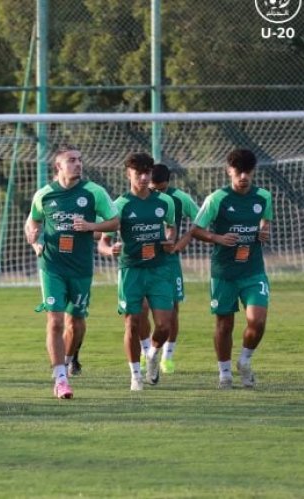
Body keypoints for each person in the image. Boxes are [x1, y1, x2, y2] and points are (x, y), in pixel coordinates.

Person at [24, 145, 119, 399]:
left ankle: (69, 358)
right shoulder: (44, 195)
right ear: (58, 166)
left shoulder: (93, 192)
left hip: (81, 267)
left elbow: (115, 221)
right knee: (55, 321)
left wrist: (91, 226)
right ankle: (61, 377)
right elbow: (32, 221)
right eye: (71, 160)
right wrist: (34, 240)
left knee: (76, 323)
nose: (78, 164)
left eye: (80, 159)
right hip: (51, 264)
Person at [191, 149, 272, 389]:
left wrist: (264, 230)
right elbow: (196, 229)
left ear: (253, 171)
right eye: (238, 172)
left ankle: (245, 361)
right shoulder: (217, 199)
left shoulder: (263, 197)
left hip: (253, 270)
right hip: (224, 273)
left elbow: (265, 220)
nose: (243, 177)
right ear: (229, 171)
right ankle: (224, 373)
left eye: (247, 172)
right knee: (224, 325)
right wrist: (217, 238)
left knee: (257, 322)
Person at [97, 152, 176, 391]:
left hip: (159, 269)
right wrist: (110, 249)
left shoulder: (165, 202)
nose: (143, 177)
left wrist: (170, 240)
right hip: (131, 270)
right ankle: (135, 375)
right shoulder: (120, 205)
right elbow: (103, 242)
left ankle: (152, 354)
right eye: (138, 173)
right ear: (128, 174)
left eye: (147, 173)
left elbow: (172, 229)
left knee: (164, 325)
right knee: (132, 323)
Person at [148, 163, 199, 374]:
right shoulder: (138, 198)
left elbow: (200, 221)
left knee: (173, 310)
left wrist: (183, 241)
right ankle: (145, 352)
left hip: (169, 261)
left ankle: (167, 357)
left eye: (161, 188)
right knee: (140, 310)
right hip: (142, 262)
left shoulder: (180, 199)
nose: (157, 193)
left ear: (168, 183)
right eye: (153, 188)